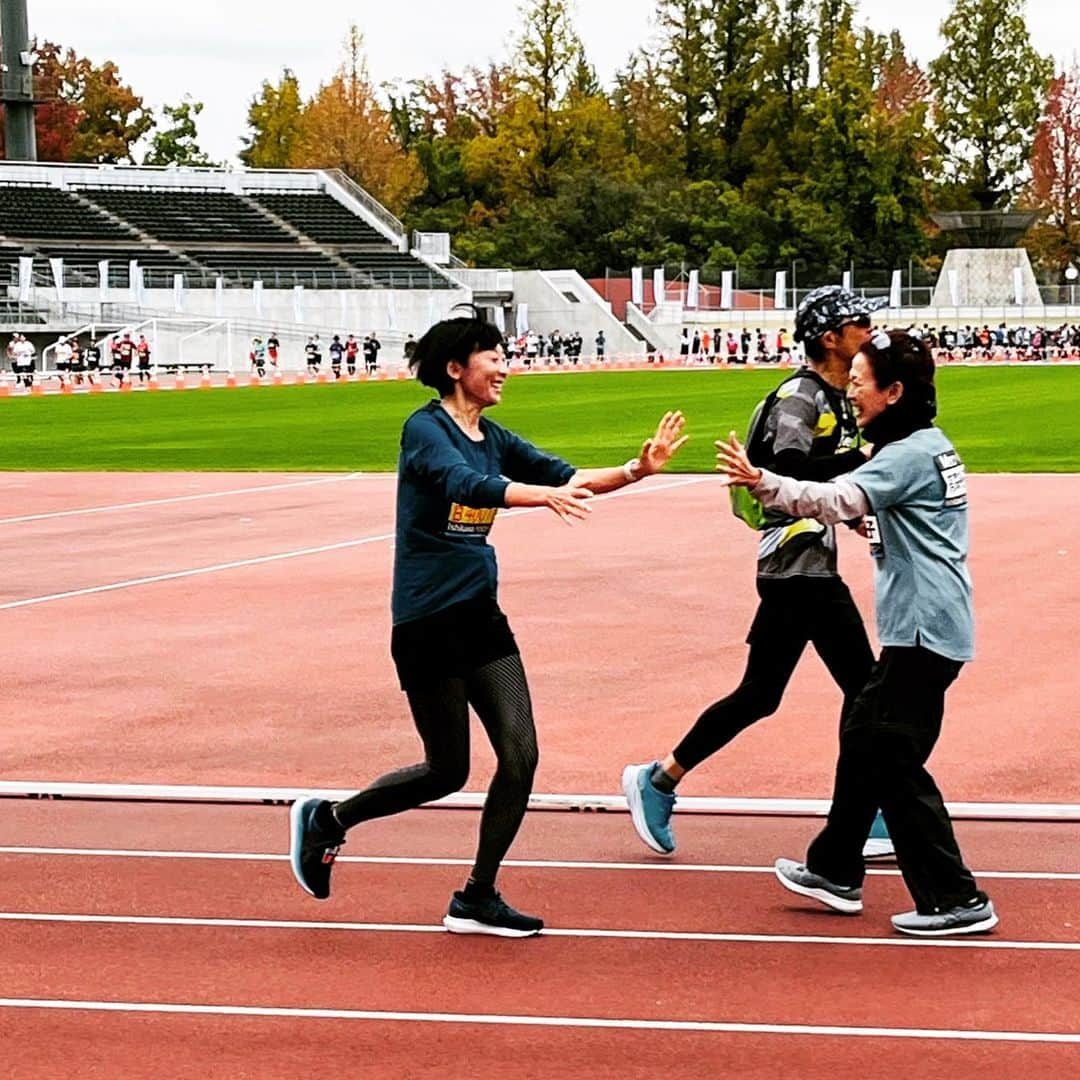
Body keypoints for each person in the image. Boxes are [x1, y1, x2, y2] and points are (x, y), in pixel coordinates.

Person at [289, 306, 687, 936]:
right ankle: (330, 820)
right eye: (492, 357)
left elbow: (569, 477)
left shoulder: (495, 436)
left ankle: (477, 894)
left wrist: (636, 470)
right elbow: (467, 487)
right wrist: (538, 496)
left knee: (521, 754)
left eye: (504, 356)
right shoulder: (424, 431)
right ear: (455, 368)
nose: (505, 367)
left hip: (480, 617)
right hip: (425, 621)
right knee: (446, 770)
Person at [716, 329, 997, 937]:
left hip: (924, 630)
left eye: (862, 385)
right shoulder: (925, 445)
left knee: (891, 756)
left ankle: (956, 897)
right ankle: (836, 867)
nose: (853, 395)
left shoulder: (907, 456)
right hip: (929, 624)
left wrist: (763, 481)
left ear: (894, 392)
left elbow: (837, 499)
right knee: (869, 739)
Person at [622, 286, 890, 859]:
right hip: (797, 568)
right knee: (865, 688)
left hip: (801, 563)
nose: (870, 330)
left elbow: (809, 487)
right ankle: (866, 813)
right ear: (830, 338)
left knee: (760, 694)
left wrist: (848, 515)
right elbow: (783, 473)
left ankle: (659, 779)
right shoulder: (801, 396)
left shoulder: (834, 396)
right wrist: (861, 466)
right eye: (859, 323)